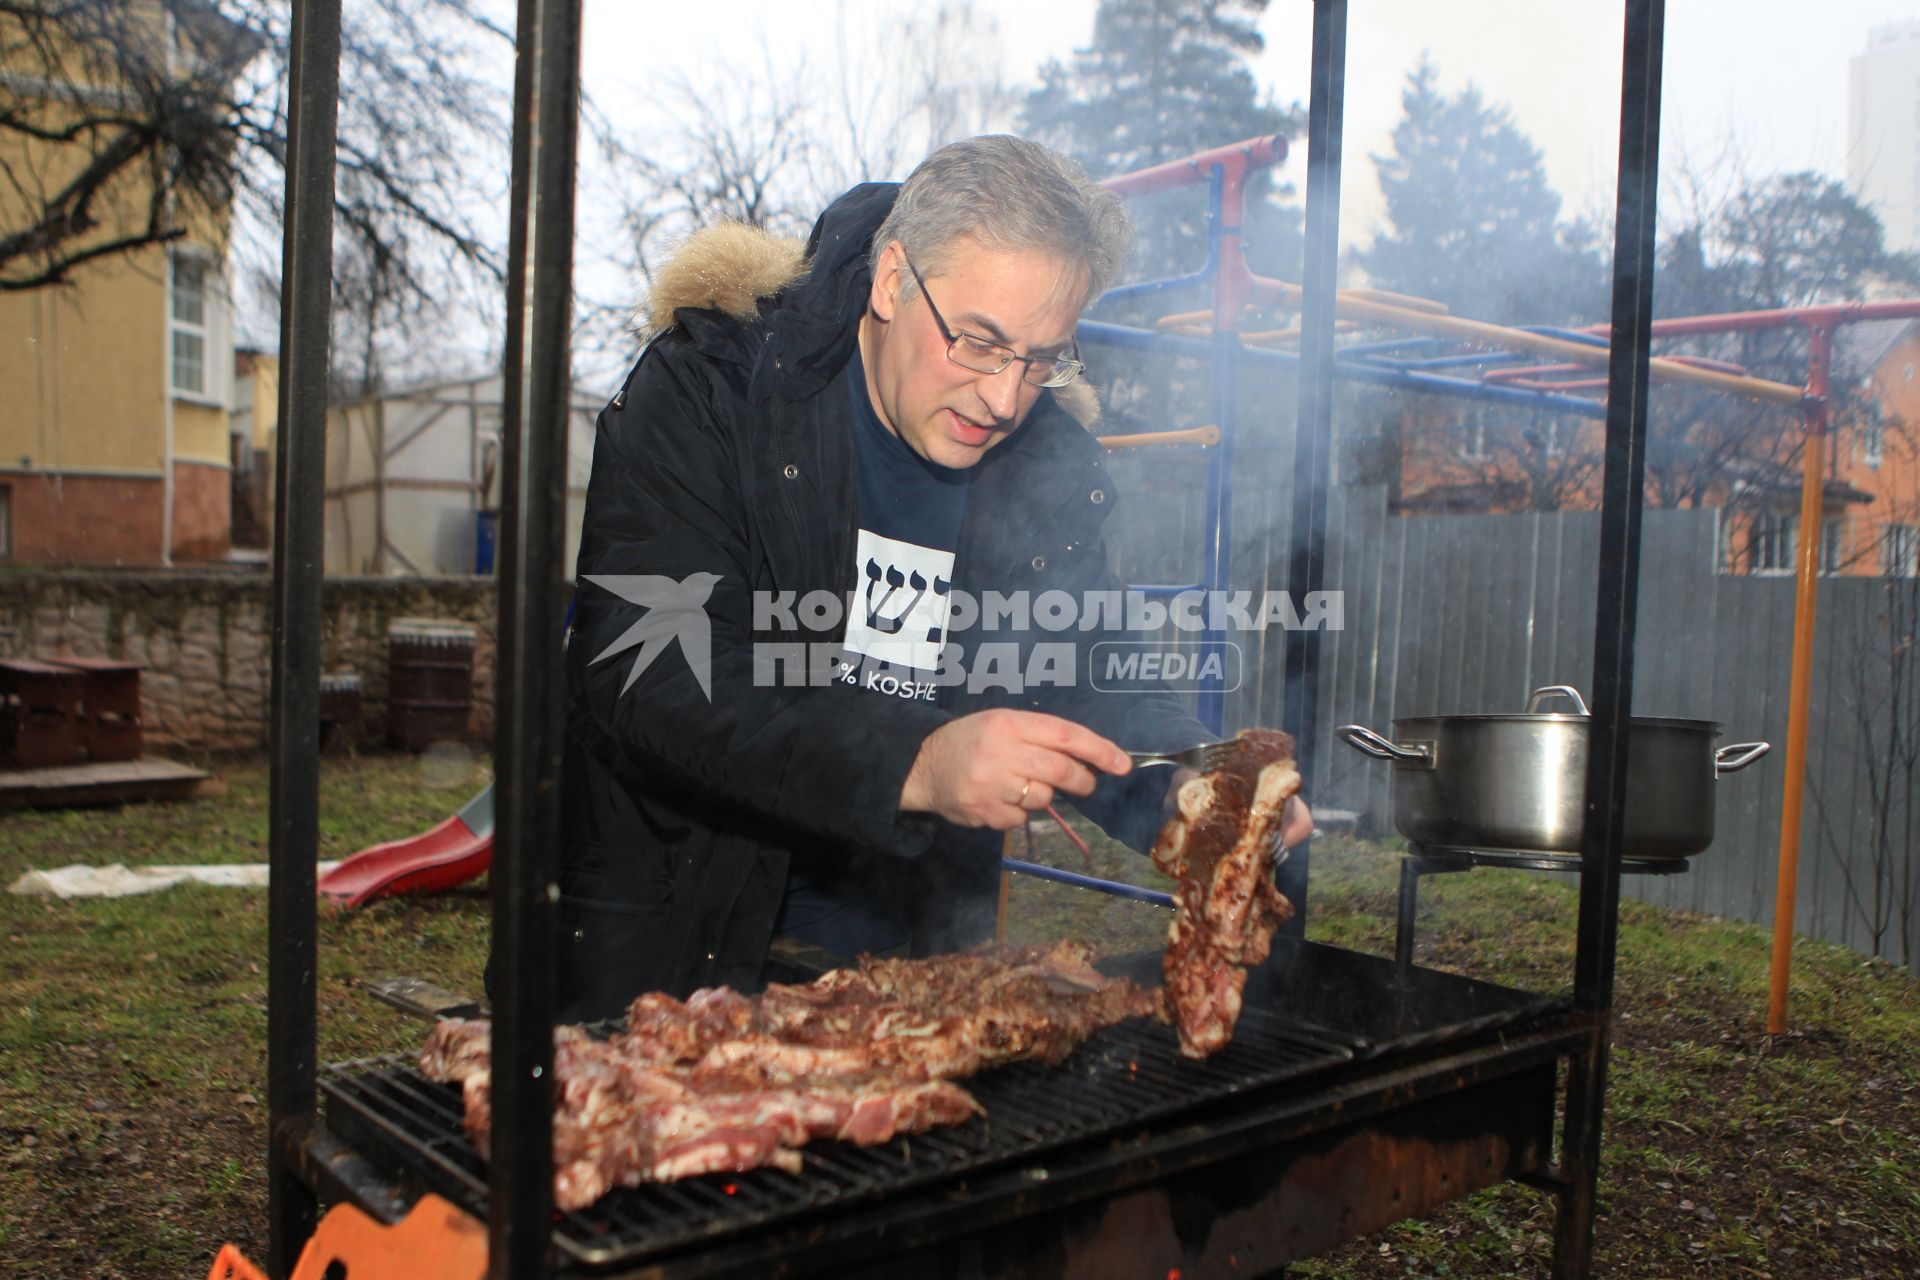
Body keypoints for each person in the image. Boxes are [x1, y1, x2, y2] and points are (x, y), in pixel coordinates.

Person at [543, 136, 1309, 1021]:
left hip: (912, 970)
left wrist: (1188, 782)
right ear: (892, 279)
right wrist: (914, 757)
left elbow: (1083, 674)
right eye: (980, 342)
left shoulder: (1038, 462)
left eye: (1041, 357)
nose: (1005, 398)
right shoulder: (712, 395)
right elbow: (651, 670)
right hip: (677, 955)